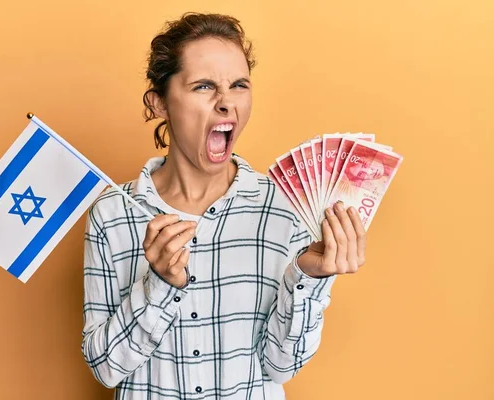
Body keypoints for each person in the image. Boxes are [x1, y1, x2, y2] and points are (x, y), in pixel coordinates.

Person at [81, 12, 367, 399]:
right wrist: (159, 286)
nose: (226, 103)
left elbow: (280, 367)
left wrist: (307, 276)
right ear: (160, 103)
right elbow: (106, 368)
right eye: (203, 86)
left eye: (238, 85)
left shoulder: (285, 206)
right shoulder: (113, 212)